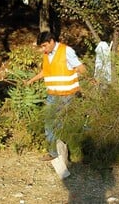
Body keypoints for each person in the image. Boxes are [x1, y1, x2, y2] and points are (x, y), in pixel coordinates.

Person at [25, 31, 87, 161]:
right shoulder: (46, 55)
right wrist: (31, 80)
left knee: (62, 123)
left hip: (67, 95)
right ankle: (55, 152)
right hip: (52, 94)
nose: (43, 49)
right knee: (50, 123)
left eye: (45, 45)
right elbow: (45, 72)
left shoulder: (66, 51)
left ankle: (73, 151)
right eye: (41, 47)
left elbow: (80, 67)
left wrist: (86, 84)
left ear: (52, 41)